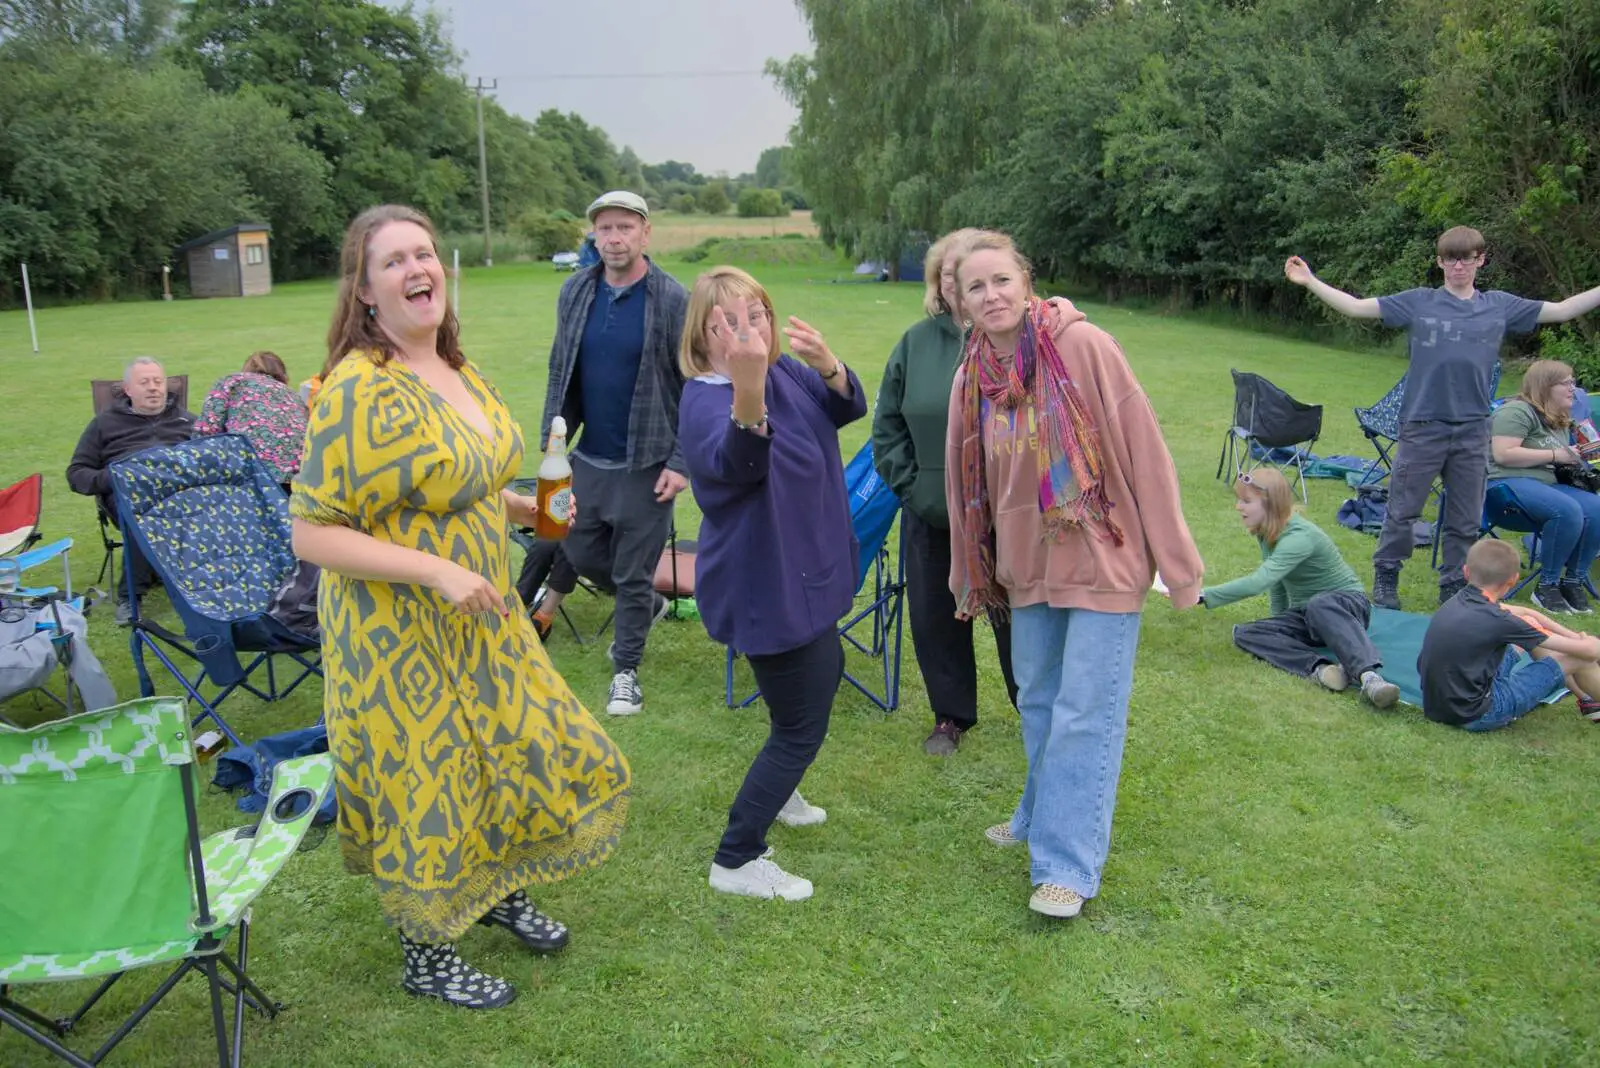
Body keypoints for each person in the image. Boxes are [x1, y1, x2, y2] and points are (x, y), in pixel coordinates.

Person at [290, 204, 630, 1009]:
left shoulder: (453, 365)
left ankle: (491, 890)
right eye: (394, 261)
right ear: (366, 292)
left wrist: (519, 509)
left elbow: (459, 479)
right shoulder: (357, 390)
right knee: (426, 779)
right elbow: (311, 533)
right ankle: (425, 952)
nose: (418, 269)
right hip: (395, 631)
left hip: (481, 616)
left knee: (507, 748)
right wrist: (434, 573)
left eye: (424, 254)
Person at [945, 231, 1203, 921]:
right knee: (1038, 702)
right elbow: (960, 480)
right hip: (1027, 567)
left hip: (1102, 558)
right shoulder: (973, 374)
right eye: (976, 287)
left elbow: (1144, 451)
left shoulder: (1083, 348)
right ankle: (1038, 810)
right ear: (959, 302)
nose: (992, 295)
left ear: (1027, 282)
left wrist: (1178, 566)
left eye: (1002, 280)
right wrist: (970, 570)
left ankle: (1066, 868)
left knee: (1085, 712)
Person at [1285, 226, 1600, 610]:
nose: (1458, 266)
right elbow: (1356, 306)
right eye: (1450, 258)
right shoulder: (1418, 302)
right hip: (1422, 426)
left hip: (1472, 431)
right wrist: (1310, 280)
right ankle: (1387, 576)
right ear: (1440, 262)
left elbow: (1563, 309)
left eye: (1467, 258)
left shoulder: (1498, 305)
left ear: (1480, 260)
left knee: (1465, 519)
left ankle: (1453, 585)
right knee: (1402, 510)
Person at [678, 265, 866, 902]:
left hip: (807, 565)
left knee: (805, 693)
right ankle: (737, 857)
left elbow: (844, 408)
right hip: (767, 582)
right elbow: (740, 463)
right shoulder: (706, 398)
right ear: (703, 336)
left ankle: (781, 794)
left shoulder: (785, 372)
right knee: (801, 724)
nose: (747, 329)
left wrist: (830, 363)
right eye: (727, 321)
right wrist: (748, 384)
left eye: (755, 313)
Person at [534, 190, 688, 715]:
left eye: (625, 227)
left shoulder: (671, 298)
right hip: (587, 460)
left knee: (631, 574)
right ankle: (648, 606)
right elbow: (561, 369)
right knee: (574, 550)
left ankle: (626, 673)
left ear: (645, 233)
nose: (614, 238)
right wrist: (550, 447)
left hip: (648, 462)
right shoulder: (576, 290)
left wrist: (681, 461)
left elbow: (695, 384)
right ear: (594, 235)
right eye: (605, 229)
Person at [873, 228, 1019, 756]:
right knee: (937, 618)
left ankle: (1035, 709)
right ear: (942, 284)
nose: (967, 284)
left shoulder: (1021, 338)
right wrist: (913, 488)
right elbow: (887, 426)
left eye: (981, 274)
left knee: (1019, 617)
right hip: (933, 513)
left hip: (1010, 518)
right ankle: (950, 717)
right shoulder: (915, 343)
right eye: (954, 275)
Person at [1200, 468, 1400, 708]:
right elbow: (1277, 583)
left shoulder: (1299, 537)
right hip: (1309, 614)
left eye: (1246, 501)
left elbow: (1259, 581)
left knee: (1319, 604)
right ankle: (1323, 671)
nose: (1238, 507)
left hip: (1347, 606)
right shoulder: (1268, 533)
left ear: (1271, 505)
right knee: (1244, 633)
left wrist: (1203, 595)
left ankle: (1370, 678)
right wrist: (1279, 624)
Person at [1419, 538, 1600, 730]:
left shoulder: (1460, 599)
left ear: (1466, 572)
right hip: (1480, 714)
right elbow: (1588, 652)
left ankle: (1590, 702)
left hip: (1437, 706)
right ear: (1513, 580)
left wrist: (1574, 637)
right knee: (1579, 659)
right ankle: (1591, 699)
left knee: (1531, 627)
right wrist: (1587, 641)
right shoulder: (1500, 620)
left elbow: (1530, 615)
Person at [66, 356, 195, 625]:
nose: (153, 387)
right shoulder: (104, 424)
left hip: (182, 495)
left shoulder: (187, 421)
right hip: (128, 494)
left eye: (158, 381)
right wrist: (116, 477)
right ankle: (130, 598)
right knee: (141, 514)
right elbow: (76, 474)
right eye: (144, 382)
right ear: (128, 390)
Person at [1483, 359, 1600, 615]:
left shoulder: (1557, 419)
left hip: (1547, 486)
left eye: (1573, 382)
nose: (1573, 389)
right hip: (1505, 484)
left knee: (1596, 508)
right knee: (1567, 509)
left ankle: (1572, 582)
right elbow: (1503, 454)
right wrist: (1557, 455)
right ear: (1545, 386)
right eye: (1566, 383)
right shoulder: (1516, 411)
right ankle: (1546, 586)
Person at [192, 350, 310, 486]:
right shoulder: (295, 396)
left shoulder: (232, 381)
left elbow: (205, 432)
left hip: (251, 475)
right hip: (300, 479)